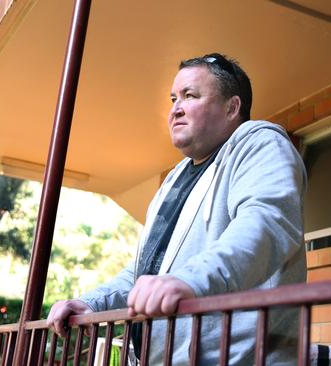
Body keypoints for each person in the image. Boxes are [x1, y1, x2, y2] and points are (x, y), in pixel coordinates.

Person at [47, 53, 307, 365]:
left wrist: (191, 281)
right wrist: (92, 304)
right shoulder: (174, 179)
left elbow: (265, 223)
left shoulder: (259, 143)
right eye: (173, 98)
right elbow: (144, 272)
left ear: (232, 108)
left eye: (190, 96)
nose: (175, 109)